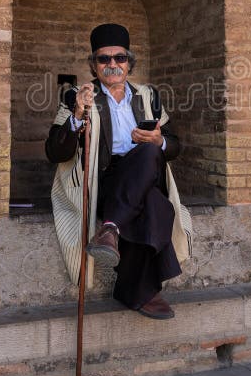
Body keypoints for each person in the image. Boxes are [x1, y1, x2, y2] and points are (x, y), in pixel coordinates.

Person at [46, 23, 192, 319]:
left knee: (150, 157)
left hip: (143, 174)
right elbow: (54, 152)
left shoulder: (148, 96)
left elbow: (175, 145)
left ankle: (111, 228)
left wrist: (159, 140)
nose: (112, 65)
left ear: (129, 63)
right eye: (104, 59)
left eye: (119, 58)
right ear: (94, 65)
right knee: (155, 205)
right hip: (103, 182)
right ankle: (139, 289)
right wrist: (76, 116)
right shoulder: (78, 96)